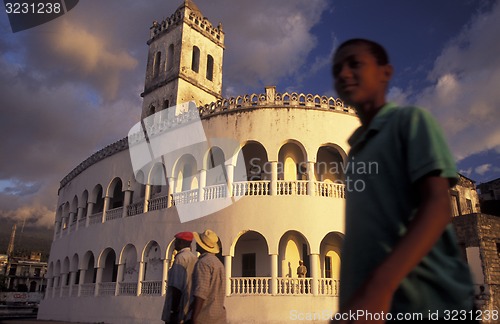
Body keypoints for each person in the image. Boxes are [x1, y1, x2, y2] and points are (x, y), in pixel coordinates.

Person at [331, 38, 474, 320]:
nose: (344, 74)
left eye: (355, 64)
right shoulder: (357, 150)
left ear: (385, 72)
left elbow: (437, 205)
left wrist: (376, 290)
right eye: (337, 70)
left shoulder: (410, 121)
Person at [190, 229, 227, 324]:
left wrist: (194, 317)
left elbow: (201, 292)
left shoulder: (203, 263)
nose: (196, 244)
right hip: (218, 317)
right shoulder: (219, 263)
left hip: (205, 317)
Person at [161, 231, 198, 324]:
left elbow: (176, 287)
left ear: (181, 242)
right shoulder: (194, 258)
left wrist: (173, 311)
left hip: (179, 307)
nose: (174, 244)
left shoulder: (180, 258)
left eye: (176, 241)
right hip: (189, 305)